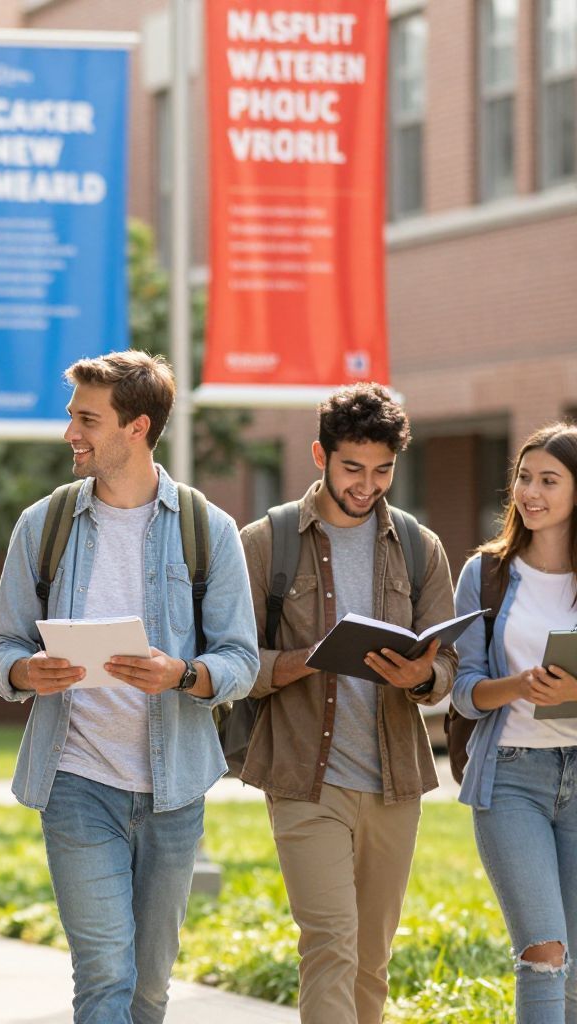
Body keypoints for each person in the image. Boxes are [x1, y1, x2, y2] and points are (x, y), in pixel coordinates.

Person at [0, 350, 258, 1023]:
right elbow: (3, 645)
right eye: (72, 416)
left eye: (87, 419)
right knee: (106, 972)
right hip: (76, 781)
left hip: (174, 791)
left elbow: (241, 660)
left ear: (137, 427)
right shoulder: (43, 525)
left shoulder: (208, 530)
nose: (70, 433)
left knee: (149, 988)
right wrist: (25, 671)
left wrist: (182, 674)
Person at [238, 383, 457, 1024]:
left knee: (370, 960)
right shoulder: (266, 542)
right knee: (330, 944)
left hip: (394, 782)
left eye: (382, 470)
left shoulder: (419, 546)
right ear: (321, 456)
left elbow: (448, 662)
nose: (367, 485)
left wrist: (422, 675)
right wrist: (306, 659)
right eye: (353, 468)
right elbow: (235, 663)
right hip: (305, 776)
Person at [451, 422, 577, 1023]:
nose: (530, 492)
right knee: (544, 953)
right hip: (511, 779)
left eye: (549, 480)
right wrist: (519, 686)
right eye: (524, 477)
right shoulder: (487, 574)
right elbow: (464, 692)